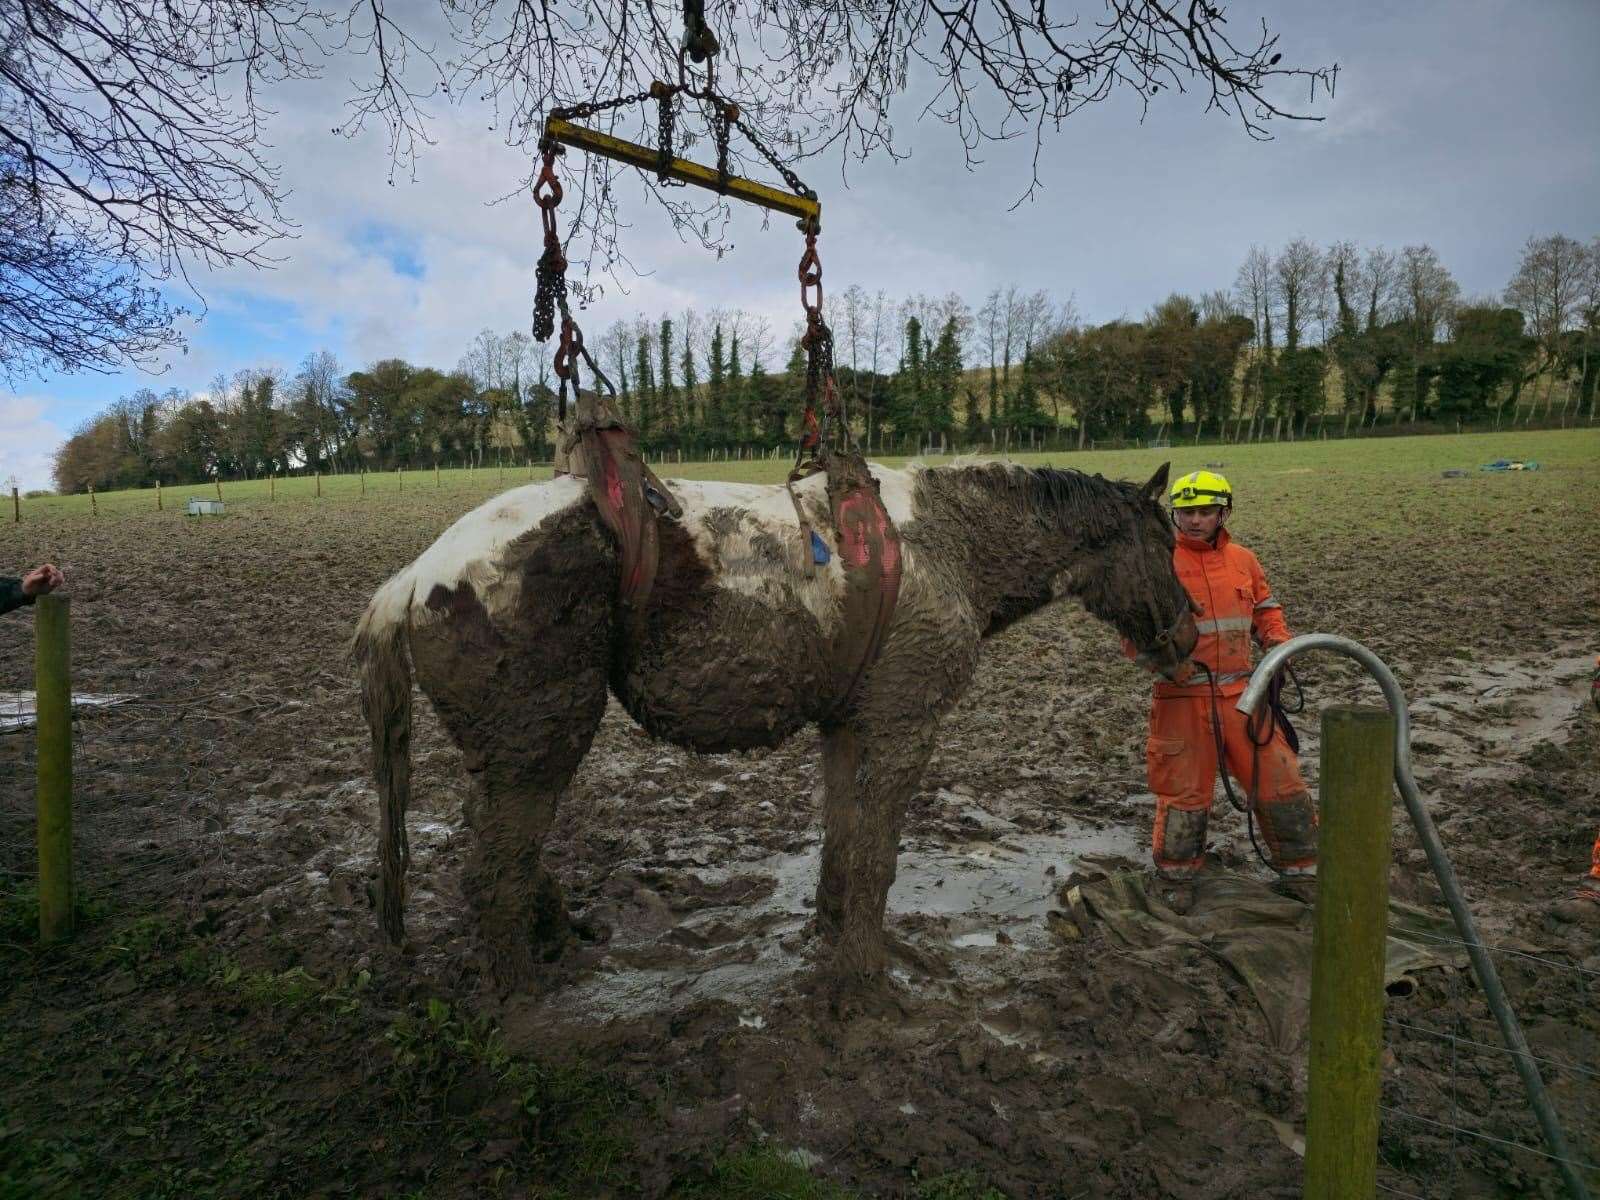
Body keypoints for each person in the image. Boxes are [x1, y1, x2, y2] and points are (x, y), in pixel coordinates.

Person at [1125, 470, 1317, 892]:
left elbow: (1265, 608)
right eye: (1187, 511)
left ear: (1223, 512)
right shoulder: (1158, 562)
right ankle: (1177, 879)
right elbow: (1133, 631)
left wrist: (1278, 644)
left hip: (1243, 695)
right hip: (1181, 696)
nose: (1195, 520)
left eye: (1205, 511)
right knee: (1184, 795)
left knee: (1279, 781)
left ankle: (1304, 871)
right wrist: (1167, 666)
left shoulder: (1243, 560)